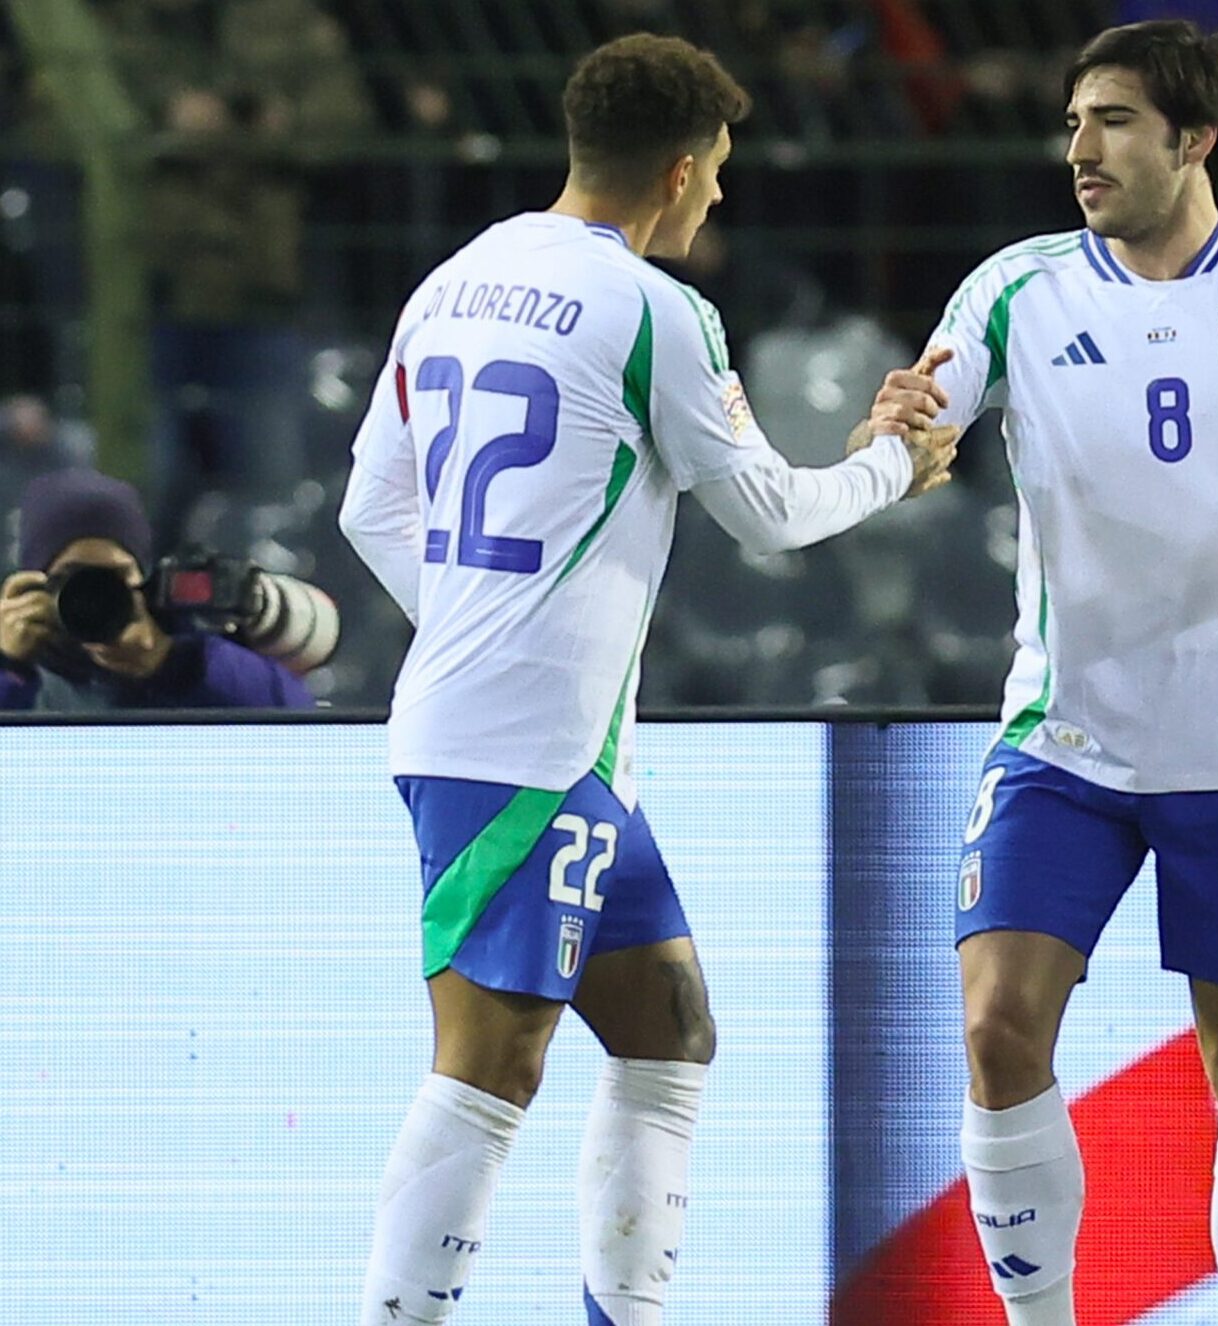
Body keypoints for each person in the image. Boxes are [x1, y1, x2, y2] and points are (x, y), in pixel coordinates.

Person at [336, 34, 955, 1325]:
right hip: (521, 746)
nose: (720, 199)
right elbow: (773, 515)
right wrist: (896, 463)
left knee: (666, 1026)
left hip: (536, 740)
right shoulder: (654, 310)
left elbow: (367, 509)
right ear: (678, 172)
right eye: (719, 172)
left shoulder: (459, 276)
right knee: (488, 1066)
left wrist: (472, 619)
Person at [867, 20, 1218, 1323]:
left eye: (1111, 121)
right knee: (997, 1027)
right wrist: (895, 431)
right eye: (1072, 123)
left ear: (1194, 138)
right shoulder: (1015, 286)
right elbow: (918, 424)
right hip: (1062, 738)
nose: (1079, 150)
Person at [1, 468, 314, 711]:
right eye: (72, 576)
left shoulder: (181, 641)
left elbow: (296, 719)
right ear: (33, 583)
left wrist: (169, 664)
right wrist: (9, 665)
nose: (94, 593)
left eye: (114, 576)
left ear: (143, 578)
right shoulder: (18, 653)